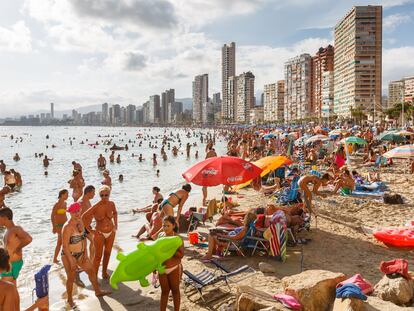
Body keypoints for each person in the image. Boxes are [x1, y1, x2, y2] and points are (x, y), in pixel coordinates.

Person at [62, 203, 110, 307]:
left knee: (91, 271)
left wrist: (86, 253)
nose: (77, 213)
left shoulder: (80, 222)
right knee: (71, 277)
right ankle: (69, 300)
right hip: (68, 255)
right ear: (69, 213)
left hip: (81, 254)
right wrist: (71, 260)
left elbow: (85, 238)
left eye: (78, 211)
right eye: (74, 212)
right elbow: (65, 246)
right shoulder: (67, 227)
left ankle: (97, 291)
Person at [82, 186, 117, 279]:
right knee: (98, 256)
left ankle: (104, 273)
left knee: (108, 253)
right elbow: (83, 217)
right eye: (102, 195)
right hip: (99, 233)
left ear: (109, 194)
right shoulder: (96, 206)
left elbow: (115, 213)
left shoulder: (112, 204)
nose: (104, 197)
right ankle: (94, 276)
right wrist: (90, 230)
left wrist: (116, 225)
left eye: (106, 195)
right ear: (99, 195)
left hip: (111, 232)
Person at [0, 208, 32, 310]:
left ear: (4, 218)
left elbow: (28, 238)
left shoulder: (15, 229)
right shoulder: (8, 231)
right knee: (13, 289)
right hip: (10, 264)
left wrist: (18, 248)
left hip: (11, 265)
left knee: (6, 290)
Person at [158, 216, 184, 311]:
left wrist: (170, 250)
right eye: (163, 225)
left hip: (174, 268)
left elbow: (181, 255)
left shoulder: (177, 238)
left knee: (175, 291)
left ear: (173, 226)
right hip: (162, 269)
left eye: (168, 226)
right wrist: (153, 267)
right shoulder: (160, 236)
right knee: (164, 292)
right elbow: (155, 253)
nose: (165, 228)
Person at [51, 189, 69, 263]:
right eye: (66, 194)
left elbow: (65, 213)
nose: (68, 196)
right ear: (62, 195)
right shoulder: (57, 204)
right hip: (59, 225)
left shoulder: (65, 203)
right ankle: (55, 258)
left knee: (65, 242)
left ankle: (65, 257)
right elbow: (52, 216)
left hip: (65, 224)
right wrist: (54, 226)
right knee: (60, 242)